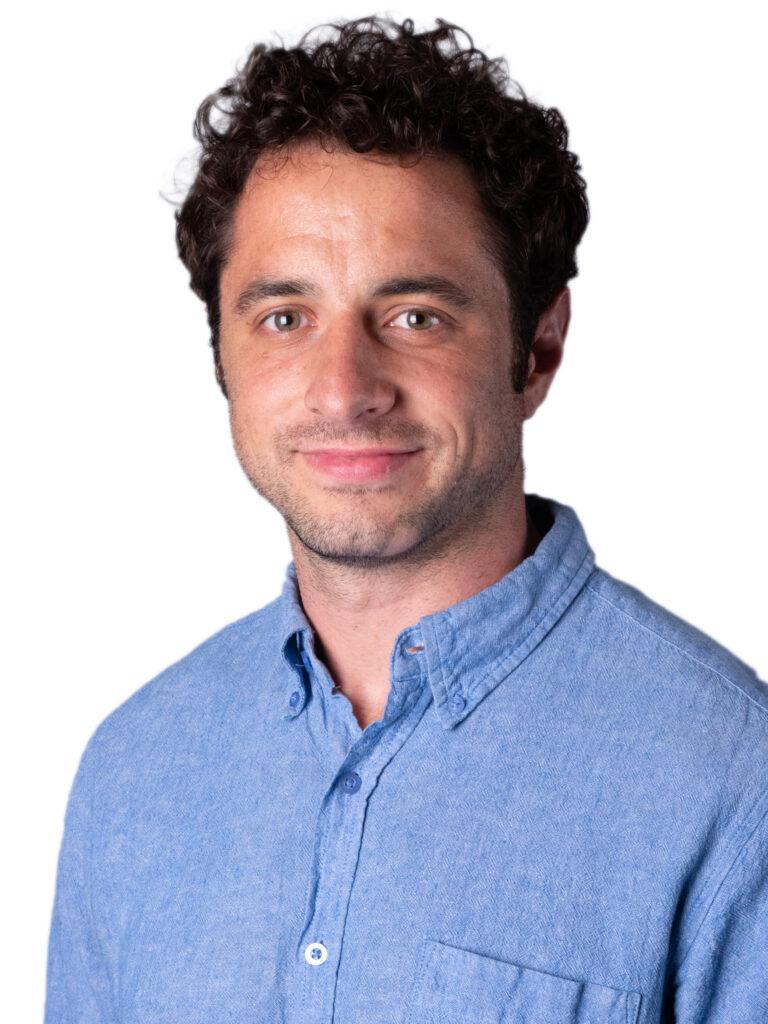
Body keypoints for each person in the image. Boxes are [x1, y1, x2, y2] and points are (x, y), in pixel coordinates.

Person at [43, 16, 767, 1024]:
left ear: (537, 348)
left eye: (415, 316)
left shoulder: (730, 775)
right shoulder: (133, 771)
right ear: (222, 356)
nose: (345, 388)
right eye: (285, 318)